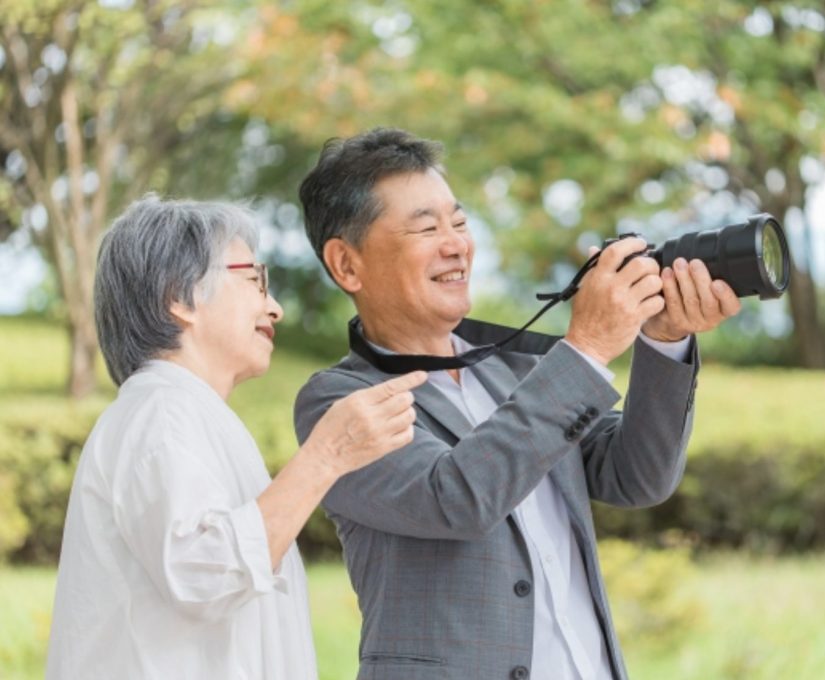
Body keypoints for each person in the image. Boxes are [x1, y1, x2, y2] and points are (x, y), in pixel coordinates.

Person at [294, 128, 740, 680]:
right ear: (347, 264)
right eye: (426, 227)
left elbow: (639, 477)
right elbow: (455, 497)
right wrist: (588, 347)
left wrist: (664, 338)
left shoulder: (517, 369)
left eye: (459, 222)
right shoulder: (339, 403)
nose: (456, 244)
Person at [46, 195, 426, 680]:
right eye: (255, 279)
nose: (276, 307)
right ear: (178, 298)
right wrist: (327, 455)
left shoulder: (186, 414)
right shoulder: (161, 413)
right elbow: (204, 572)